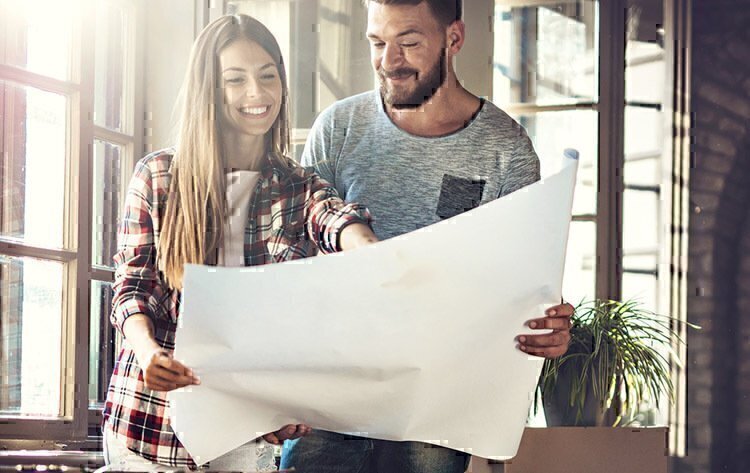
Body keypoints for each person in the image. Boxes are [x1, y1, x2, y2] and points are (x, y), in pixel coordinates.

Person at [280, 1, 574, 472]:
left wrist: (549, 325)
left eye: (410, 43)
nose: (389, 61)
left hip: (435, 407)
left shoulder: (507, 151)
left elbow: (522, 286)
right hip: (329, 399)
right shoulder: (337, 129)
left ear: (453, 39)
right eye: (378, 43)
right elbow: (294, 260)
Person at [101, 14, 378, 472]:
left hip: (245, 432)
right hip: (150, 429)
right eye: (236, 80)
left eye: (268, 76)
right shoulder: (158, 176)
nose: (258, 93)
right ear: (210, 90)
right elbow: (132, 287)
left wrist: (371, 252)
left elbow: (336, 219)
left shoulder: (297, 186)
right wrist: (150, 353)